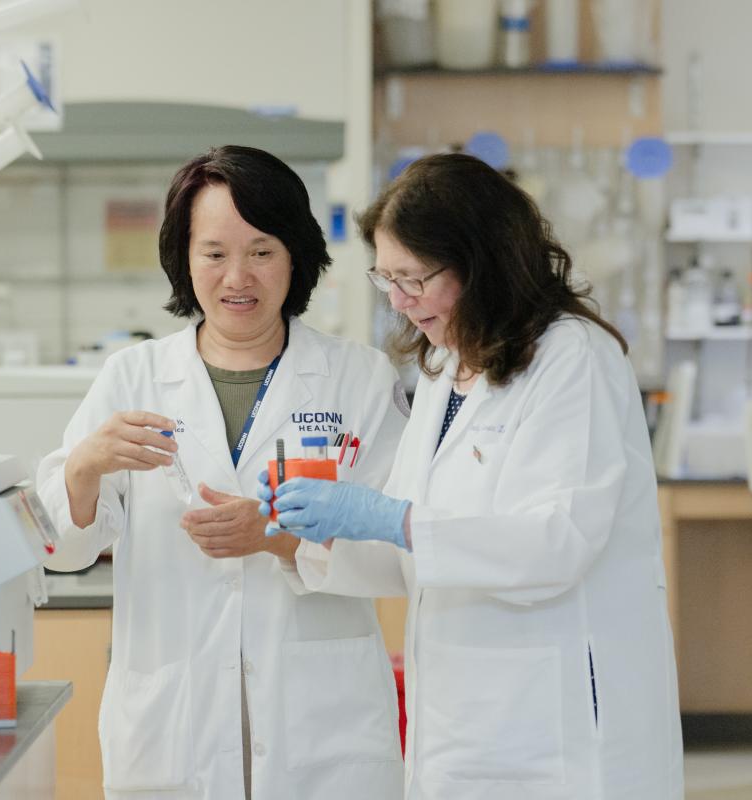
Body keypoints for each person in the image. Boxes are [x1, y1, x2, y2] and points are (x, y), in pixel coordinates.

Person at [258, 153, 684, 799]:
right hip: (464, 718)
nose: (399, 300)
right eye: (386, 278)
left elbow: (557, 541)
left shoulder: (573, 359)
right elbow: (417, 551)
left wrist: (388, 517)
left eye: (414, 278)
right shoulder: (446, 364)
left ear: (479, 263)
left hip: (558, 724)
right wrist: (308, 537)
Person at [36, 145, 408, 800]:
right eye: (214, 254)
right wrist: (86, 466)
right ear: (184, 259)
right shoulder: (134, 378)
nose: (238, 276)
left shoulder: (358, 380)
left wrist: (277, 538)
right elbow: (65, 549)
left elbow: (398, 554)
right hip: (173, 728)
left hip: (324, 735)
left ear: (297, 255)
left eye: (262, 251)